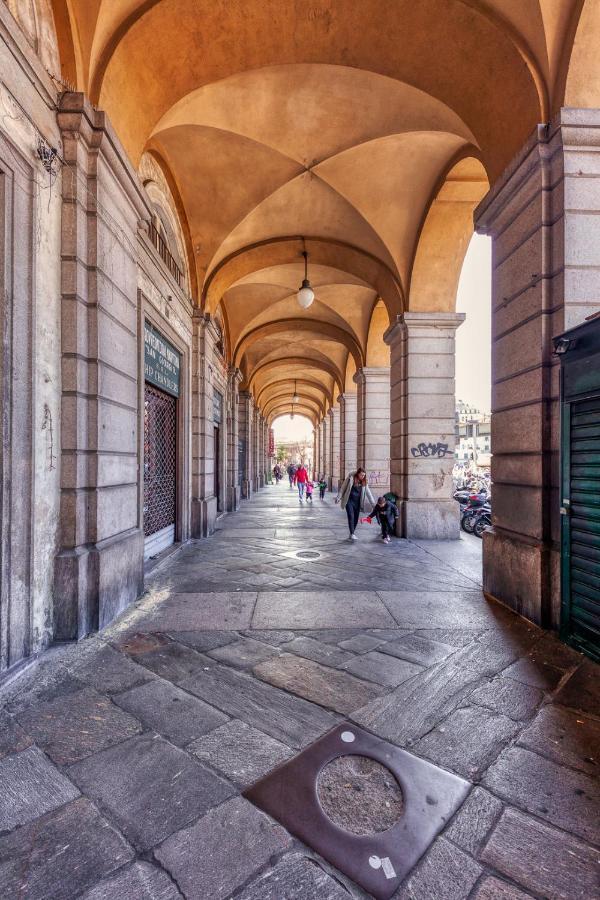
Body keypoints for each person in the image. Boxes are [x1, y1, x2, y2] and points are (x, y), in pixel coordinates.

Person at [335, 468, 374, 541]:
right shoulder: (350, 478)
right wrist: (338, 497)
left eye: (364, 475)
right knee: (351, 516)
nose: (362, 476)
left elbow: (369, 493)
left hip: (358, 503)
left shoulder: (364, 482)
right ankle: (352, 533)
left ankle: (352, 533)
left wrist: (373, 504)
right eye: (361, 475)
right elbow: (343, 488)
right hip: (349, 501)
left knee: (356, 518)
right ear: (358, 473)